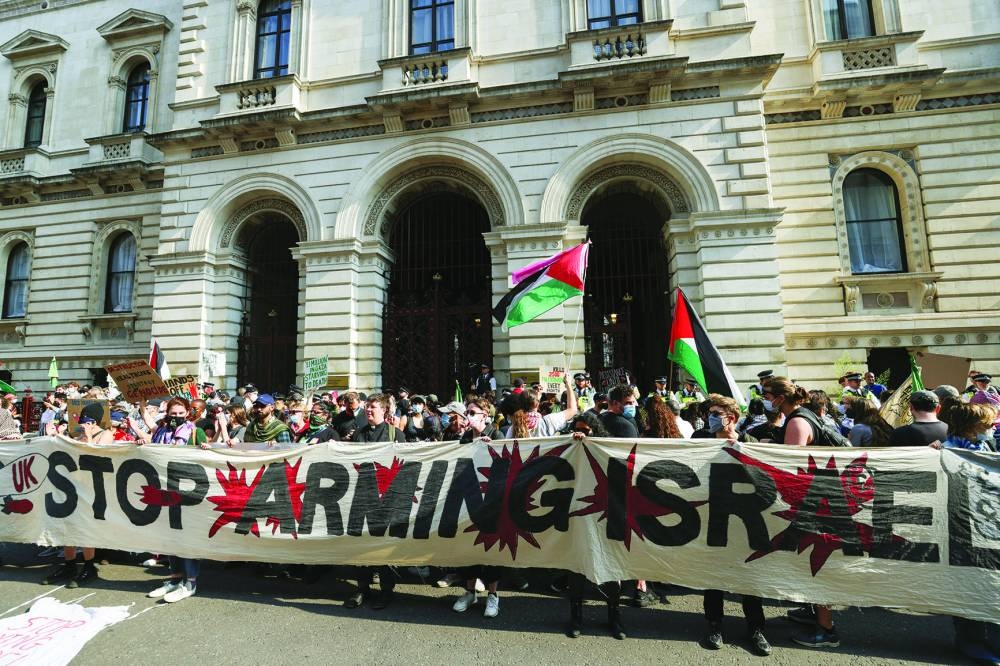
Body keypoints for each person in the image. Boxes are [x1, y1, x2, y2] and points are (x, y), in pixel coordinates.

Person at [763, 378, 839, 648]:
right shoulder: (805, 416)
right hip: (820, 501)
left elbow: (792, 466)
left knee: (816, 566)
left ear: (780, 397)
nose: (765, 399)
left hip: (815, 504)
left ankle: (826, 630)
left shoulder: (796, 422)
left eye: (768, 394)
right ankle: (814, 615)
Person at [695, 395, 772, 656]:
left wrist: (738, 448)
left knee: (749, 577)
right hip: (712, 516)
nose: (711, 418)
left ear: (733, 418)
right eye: (710, 413)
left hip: (745, 521)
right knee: (713, 575)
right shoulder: (699, 438)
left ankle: (755, 628)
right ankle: (714, 625)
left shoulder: (751, 443)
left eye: (717, 413)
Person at [563, 413, 626, 639]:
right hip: (578, 516)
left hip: (605, 515)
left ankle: (614, 617)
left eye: (587, 431)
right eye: (579, 429)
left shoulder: (607, 448)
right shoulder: (569, 447)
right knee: (577, 567)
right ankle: (576, 616)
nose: (583, 434)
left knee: (610, 567)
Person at [139, 397, 206, 603]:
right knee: (170, 538)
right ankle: (175, 579)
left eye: (180, 413)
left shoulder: (194, 431)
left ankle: (190, 582)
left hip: (186, 491)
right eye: (172, 413)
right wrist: (144, 443)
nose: (176, 417)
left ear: (187, 412)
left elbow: (210, 452)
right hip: (163, 489)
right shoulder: (161, 429)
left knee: (186, 538)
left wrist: (205, 448)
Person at [346, 394, 399, 610]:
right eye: (367, 407)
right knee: (361, 546)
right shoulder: (360, 434)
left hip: (386, 499)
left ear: (384, 411)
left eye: (373, 407)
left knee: (384, 546)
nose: (368, 410)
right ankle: (362, 589)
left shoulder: (396, 434)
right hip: (362, 496)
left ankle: (386, 591)